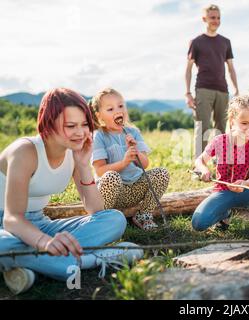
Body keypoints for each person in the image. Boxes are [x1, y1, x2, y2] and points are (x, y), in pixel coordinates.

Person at [0, 88, 142, 295]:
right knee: (5, 244)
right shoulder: (25, 151)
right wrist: (45, 243)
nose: (80, 132)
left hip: (39, 222)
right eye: (70, 126)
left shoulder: (74, 151)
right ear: (48, 124)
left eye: (85, 124)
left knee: (114, 219)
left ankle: (30, 264)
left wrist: (84, 166)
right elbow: (12, 220)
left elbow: (95, 209)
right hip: (6, 225)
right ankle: (95, 259)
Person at [191, 96, 249, 236]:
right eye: (244, 123)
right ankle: (224, 214)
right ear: (232, 121)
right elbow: (199, 160)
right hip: (224, 191)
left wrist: (244, 184)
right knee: (198, 223)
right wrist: (204, 169)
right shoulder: (219, 141)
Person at [89, 88, 170, 231]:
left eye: (120, 106)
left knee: (162, 173)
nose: (117, 111)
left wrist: (136, 151)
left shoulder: (134, 132)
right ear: (99, 116)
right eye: (110, 109)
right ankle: (103, 219)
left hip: (135, 189)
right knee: (111, 177)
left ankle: (143, 214)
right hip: (113, 192)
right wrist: (124, 162)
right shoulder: (99, 136)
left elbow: (145, 164)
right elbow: (100, 170)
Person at [185, 4, 239, 158]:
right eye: (212, 17)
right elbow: (188, 69)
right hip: (203, 89)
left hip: (223, 90)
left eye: (218, 18)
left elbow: (231, 68)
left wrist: (236, 89)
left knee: (222, 128)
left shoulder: (225, 42)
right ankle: (198, 166)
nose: (216, 21)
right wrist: (188, 93)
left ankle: (222, 164)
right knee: (202, 127)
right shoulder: (196, 42)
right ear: (204, 19)